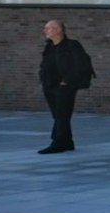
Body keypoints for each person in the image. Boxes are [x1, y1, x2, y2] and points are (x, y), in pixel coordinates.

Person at [37, 19, 95, 154]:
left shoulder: (72, 45)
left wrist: (67, 81)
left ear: (58, 30)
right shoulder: (49, 46)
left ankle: (57, 143)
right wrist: (43, 78)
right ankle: (67, 142)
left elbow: (80, 64)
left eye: (48, 28)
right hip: (49, 86)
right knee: (58, 115)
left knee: (62, 115)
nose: (45, 30)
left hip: (65, 87)